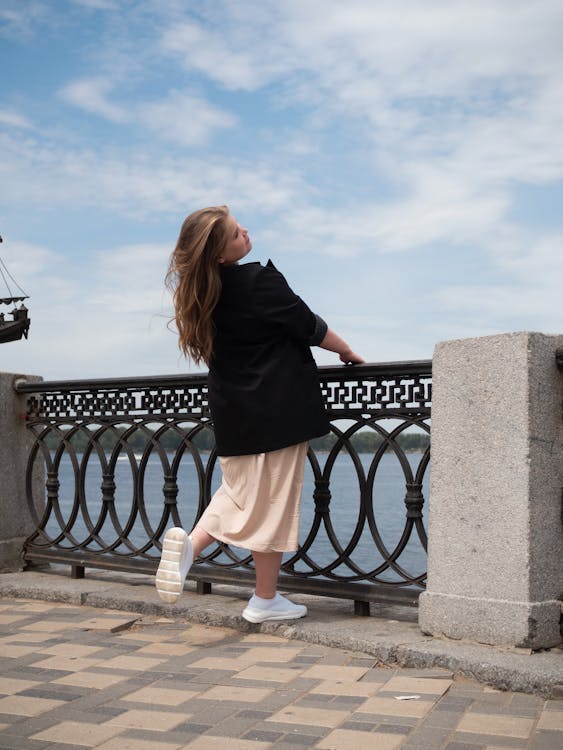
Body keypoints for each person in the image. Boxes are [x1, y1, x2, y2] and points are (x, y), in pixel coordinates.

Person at [156, 205, 364, 622]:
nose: (245, 232)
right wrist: (346, 351)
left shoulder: (206, 298)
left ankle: (209, 562)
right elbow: (308, 325)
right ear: (220, 254)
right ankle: (258, 596)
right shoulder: (258, 281)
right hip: (277, 412)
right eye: (236, 234)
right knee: (269, 503)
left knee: (237, 495)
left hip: (234, 416)